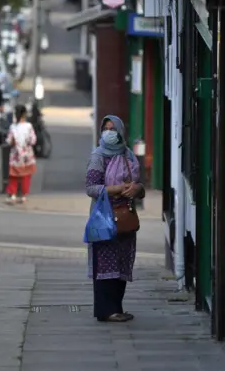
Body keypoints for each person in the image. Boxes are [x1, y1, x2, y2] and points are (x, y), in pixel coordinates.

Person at [85, 115, 145, 323]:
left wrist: (136, 189)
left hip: (126, 217)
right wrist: (117, 189)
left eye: (113, 129)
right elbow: (91, 188)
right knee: (104, 264)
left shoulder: (128, 156)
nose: (109, 133)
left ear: (121, 132)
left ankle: (117, 308)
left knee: (121, 263)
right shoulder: (98, 156)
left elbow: (141, 188)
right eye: (106, 129)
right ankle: (105, 310)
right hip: (104, 218)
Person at [5, 104, 37, 204]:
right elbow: (33, 140)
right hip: (27, 155)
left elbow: (9, 141)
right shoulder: (29, 126)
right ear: (25, 114)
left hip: (15, 155)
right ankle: (23, 195)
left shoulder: (12, 127)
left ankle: (13, 194)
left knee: (13, 176)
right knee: (26, 176)